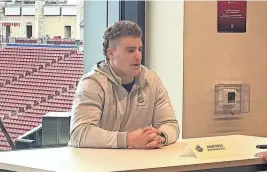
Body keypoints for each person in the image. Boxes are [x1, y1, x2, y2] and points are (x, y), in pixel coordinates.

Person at [69, 20, 179, 149]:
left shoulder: (152, 80)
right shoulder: (92, 84)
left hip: (137, 163)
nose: (138, 56)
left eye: (140, 49)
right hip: (96, 164)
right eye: (130, 50)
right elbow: (79, 133)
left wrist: (160, 136)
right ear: (111, 54)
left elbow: (170, 124)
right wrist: (128, 139)